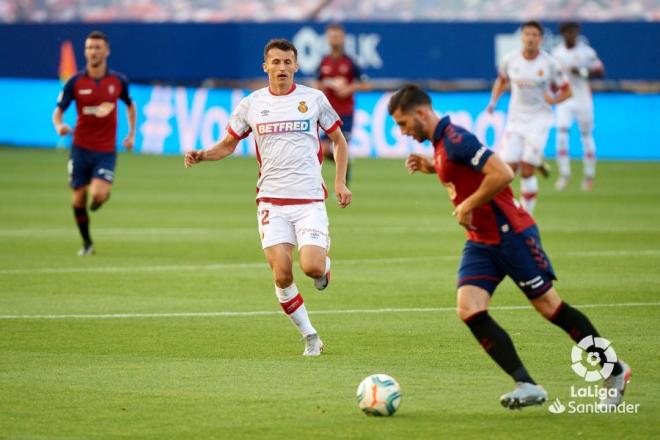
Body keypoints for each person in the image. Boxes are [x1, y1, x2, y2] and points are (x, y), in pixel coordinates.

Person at [389, 84, 630, 410]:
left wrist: (467, 205)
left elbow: (501, 173)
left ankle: (614, 370)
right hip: (481, 242)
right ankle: (526, 384)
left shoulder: (458, 139)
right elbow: (460, 170)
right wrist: (432, 166)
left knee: (550, 307)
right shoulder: (441, 144)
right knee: (469, 308)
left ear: (420, 113)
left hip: (511, 234)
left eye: (403, 123)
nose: (402, 132)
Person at [184, 39, 352, 356]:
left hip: (309, 201)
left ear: (296, 66)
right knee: (281, 273)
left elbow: (339, 142)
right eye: (275, 62)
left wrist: (340, 182)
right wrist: (203, 155)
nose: (282, 68)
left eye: (287, 62)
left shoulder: (313, 99)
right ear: (266, 67)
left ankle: (324, 267)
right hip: (271, 202)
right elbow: (228, 144)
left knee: (312, 267)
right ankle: (311, 336)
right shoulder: (251, 105)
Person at [52, 30, 136, 256]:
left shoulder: (118, 81)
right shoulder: (75, 82)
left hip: (106, 150)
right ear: (85, 52)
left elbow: (130, 105)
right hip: (80, 148)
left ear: (106, 51)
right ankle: (87, 243)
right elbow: (58, 112)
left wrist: (131, 135)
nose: (93, 51)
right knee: (78, 199)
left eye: (98, 47)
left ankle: (102, 194)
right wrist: (59, 126)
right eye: (89, 47)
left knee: (97, 196)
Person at [486, 21, 572, 215]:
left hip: (539, 120)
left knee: (526, 169)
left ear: (541, 39)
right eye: (527, 34)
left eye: (535, 35)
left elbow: (567, 91)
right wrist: (492, 103)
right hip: (515, 120)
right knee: (507, 171)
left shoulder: (549, 64)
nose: (530, 38)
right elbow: (501, 81)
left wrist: (554, 99)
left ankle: (526, 217)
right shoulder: (510, 60)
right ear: (522, 37)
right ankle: (507, 211)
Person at [313, 23, 370, 186]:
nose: (334, 39)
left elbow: (366, 84)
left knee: (340, 146)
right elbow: (316, 82)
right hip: (326, 112)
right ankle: (346, 163)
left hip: (345, 112)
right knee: (323, 149)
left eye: (337, 36)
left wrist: (349, 88)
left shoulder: (350, 62)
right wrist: (324, 86)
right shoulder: (323, 62)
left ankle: (343, 184)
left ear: (343, 38)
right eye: (331, 36)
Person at [552, 22, 605, 191]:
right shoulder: (557, 53)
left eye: (573, 32)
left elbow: (600, 71)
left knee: (587, 136)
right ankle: (564, 174)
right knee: (561, 135)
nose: (570, 35)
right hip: (565, 99)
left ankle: (589, 176)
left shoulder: (586, 52)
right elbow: (553, 77)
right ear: (563, 34)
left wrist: (582, 71)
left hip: (583, 98)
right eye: (567, 32)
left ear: (577, 33)